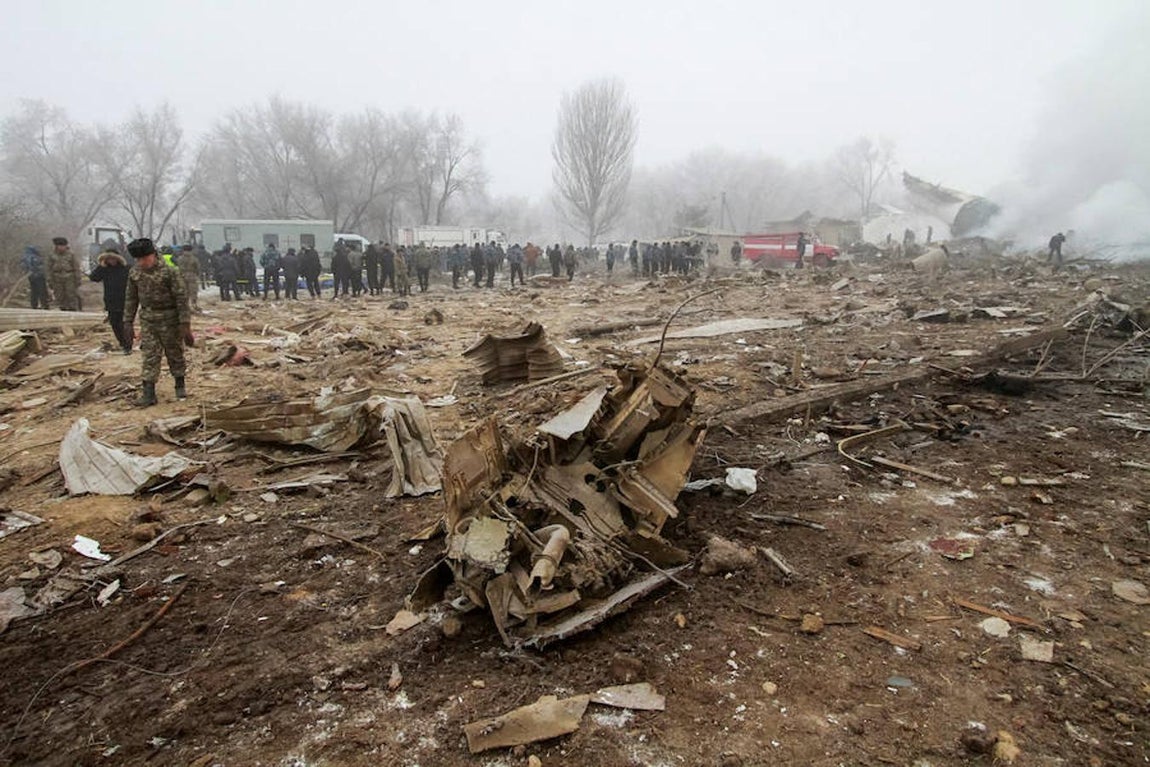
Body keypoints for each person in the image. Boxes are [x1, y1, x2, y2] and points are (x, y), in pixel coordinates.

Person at [122, 238, 193, 406]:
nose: (142, 263)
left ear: (153, 255)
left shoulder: (169, 272)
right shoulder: (135, 272)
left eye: (144, 259)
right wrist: (127, 322)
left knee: (174, 352)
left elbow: (181, 299)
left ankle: (180, 384)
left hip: (170, 318)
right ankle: (149, 393)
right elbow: (131, 298)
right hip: (148, 319)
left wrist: (185, 325)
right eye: (138, 260)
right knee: (149, 355)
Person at [90, 243, 132, 354]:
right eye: (108, 259)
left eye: (113, 258)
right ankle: (122, 343)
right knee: (114, 323)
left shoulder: (126, 269)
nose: (111, 261)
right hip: (110, 300)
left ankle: (128, 345)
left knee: (125, 323)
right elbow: (93, 278)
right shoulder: (104, 269)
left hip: (125, 299)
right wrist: (101, 266)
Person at [48, 236, 82, 311]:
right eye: (59, 245)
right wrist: (49, 280)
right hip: (57, 277)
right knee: (59, 295)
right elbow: (49, 268)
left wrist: (78, 279)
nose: (61, 247)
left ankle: (73, 310)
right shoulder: (52, 255)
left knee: (71, 295)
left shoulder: (71, 254)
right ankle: (63, 309)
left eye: (63, 245)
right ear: (56, 246)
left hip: (69, 276)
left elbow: (76, 267)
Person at [21, 245, 50, 310]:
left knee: (34, 291)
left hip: (31, 277)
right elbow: (39, 267)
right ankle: (45, 305)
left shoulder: (25, 257)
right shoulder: (35, 257)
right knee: (42, 291)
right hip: (39, 276)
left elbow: (23, 267)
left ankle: (34, 305)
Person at [177, 244, 201, 311]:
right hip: (192, 276)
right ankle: (194, 304)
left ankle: (185, 305)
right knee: (193, 291)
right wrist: (197, 275)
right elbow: (198, 268)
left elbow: (179, 267)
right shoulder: (194, 258)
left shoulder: (180, 258)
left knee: (184, 291)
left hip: (182, 276)